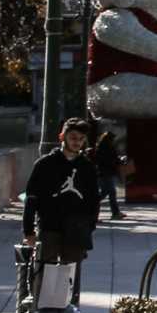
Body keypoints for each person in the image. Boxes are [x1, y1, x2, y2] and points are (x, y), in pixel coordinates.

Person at [23, 117, 104, 302]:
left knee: (71, 275)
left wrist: (90, 225)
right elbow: (31, 198)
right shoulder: (44, 165)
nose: (77, 142)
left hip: (77, 228)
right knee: (45, 273)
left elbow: (94, 200)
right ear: (62, 136)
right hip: (50, 226)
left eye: (81, 139)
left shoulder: (87, 168)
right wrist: (28, 230)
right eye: (73, 137)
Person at [91, 122, 128, 220]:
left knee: (109, 192)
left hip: (103, 173)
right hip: (107, 173)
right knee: (108, 192)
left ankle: (115, 212)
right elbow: (112, 160)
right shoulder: (108, 148)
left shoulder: (100, 148)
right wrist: (119, 160)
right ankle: (93, 207)